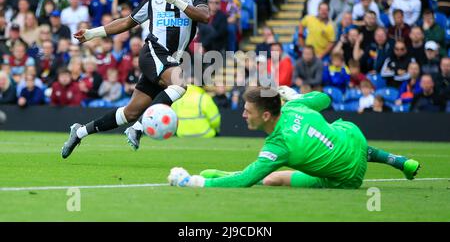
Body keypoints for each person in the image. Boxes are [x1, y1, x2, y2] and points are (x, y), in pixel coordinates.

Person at [61, 0, 209, 158]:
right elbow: (126, 22)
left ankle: (79, 132)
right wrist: (91, 34)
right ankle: (139, 128)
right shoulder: (152, 1)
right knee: (179, 84)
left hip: (169, 62)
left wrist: (174, 0)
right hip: (153, 53)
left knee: (129, 113)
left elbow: (204, 16)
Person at [167, 86, 420, 189]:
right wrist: (298, 97)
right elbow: (325, 99)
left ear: (266, 115)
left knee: (271, 179)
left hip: (346, 178)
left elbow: (246, 180)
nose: (243, 114)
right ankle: (400, 162)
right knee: (342, 136)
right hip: (355, 139)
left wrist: (192, 181)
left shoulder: (278, 145)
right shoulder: (293, 107)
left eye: (248, 111)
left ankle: (218, 176)